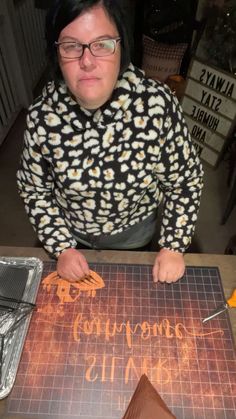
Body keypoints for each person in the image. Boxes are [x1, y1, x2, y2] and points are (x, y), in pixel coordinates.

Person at [17, 0, 204, 284]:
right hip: (71, 235)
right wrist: (62, 247)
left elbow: (185, 180)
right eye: (71, 46)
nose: (87, 61)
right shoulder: (42, 116)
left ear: (122, 47)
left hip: (135, 236)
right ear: (56, 54)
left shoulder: (157, 106)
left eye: (102, 44)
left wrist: (173, 246)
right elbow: (34, 189)